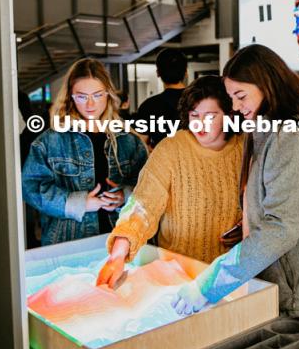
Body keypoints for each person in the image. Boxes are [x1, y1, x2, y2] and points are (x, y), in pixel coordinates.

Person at [170, 44, 299, 337]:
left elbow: (281, 228)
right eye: (231, 98)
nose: (236, 107)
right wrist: (250, 223)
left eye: (241, 96)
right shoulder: (268, 127)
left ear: (268, 85)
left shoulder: (290, 138)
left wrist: (209, 284)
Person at [97, 76, 243, 287]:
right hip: (177, 276)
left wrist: (246, 222)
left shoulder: (245, 148)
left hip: (227, 277)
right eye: (194, 115)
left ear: (229, 115)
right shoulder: (171, 149)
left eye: (211, 116)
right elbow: (143, 205)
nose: (200, 124)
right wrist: (118, 254)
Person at [22, 59, 148, 245]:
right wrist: (77, 203)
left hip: (121, 240)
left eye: (97, 95)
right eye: (81, 96)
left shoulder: (128, 140)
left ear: (108, 95)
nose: (90, 104)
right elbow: (30, 188)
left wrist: (125, 195)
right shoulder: (51, 141)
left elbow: (150, 186)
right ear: (70, 97)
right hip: (69, 241)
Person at [136, 48, 187, 149]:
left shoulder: (148, 106)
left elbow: (140, 145)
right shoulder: (199, 102)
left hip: (162, 161)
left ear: (158, 73)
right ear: (186, 72)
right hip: (196, 161)